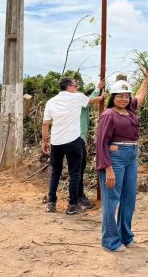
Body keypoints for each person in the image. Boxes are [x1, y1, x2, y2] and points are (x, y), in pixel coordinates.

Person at [96, 68, 148, 252]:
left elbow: (140, 97)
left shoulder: (130, 110)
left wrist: (146, 80)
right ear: (113, 97)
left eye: (126, 96)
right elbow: (101, 143)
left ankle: (126, 236)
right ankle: (110, 241)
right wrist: (108, 168)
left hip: (132, 156)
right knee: (112, 199)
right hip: (115, 158)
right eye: (119, 96)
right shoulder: (108, 115)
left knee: (129, 198)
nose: (123, 99)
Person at [42, 77, 104, 214]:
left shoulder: (51, 101)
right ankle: (72, 205)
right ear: (69, 87)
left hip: (56, 142)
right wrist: (101, 96)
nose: (76, 88)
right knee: (75, 173)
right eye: (75, 86)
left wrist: (45, 141)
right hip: (72, 140)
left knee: (55, 172)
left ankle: (51, 203)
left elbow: (45, 123)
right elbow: (93, 100)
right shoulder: (77, 97)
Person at [77, 80, 105, 209]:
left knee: (79, 169)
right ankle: (78, 197)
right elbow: (90, 100)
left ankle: (79, 195)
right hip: (77, 140)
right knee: (78, 170)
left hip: (78, 139)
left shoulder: (82, 107)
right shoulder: (81, 104)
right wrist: (98, 89)